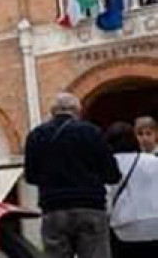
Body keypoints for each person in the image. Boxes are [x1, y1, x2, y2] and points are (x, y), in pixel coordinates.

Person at [24, 92, 121, 258]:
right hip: (90, 205)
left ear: (52, 111)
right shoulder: (91, 132)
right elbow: (112, 174)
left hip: (53, 207)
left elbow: (31, 176)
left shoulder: (36, 135)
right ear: (77, 111)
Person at [104, 122, 158, 258]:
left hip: (124, 227)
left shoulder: (108, 165)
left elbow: (106, 197)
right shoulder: (152, 161)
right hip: (154, 223)